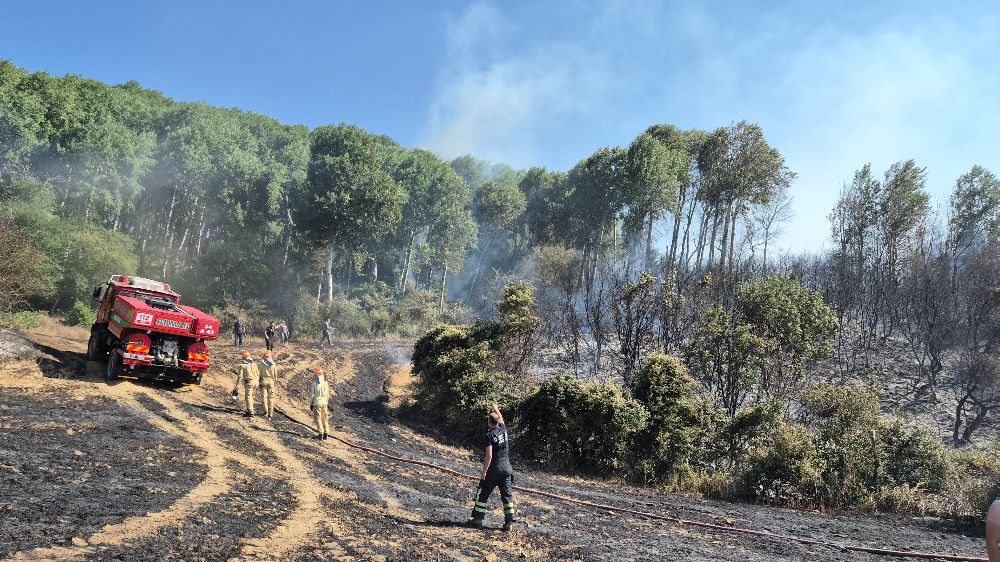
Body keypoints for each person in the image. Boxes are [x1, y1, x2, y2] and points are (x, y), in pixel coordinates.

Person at [468, 403, 516, 531]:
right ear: (498, 422)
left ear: (489, 422)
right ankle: (509, 521)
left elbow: (488, 456)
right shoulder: (503, 429)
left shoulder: (489, 436)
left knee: (482, 492)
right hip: (507, 468)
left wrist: (484, 473)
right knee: (507, 495)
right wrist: (496, 408)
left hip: (495, 468)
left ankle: (477, 519)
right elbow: (500, 418)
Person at [232, 350, 259, 417]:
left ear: (243, 358)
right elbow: (258, 374)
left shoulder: (242, 365)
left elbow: (240, 376)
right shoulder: (254, 364)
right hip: (256, 382)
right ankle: (250, 409)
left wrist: (236, 385)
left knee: (248, 397)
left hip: (250, 383)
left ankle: (250, 412)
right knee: (252, 397)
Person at [310, 367, 330, 440]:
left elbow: (312, 395)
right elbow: (327, 395)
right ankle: (326, 433)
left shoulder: (314, 384)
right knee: (325, 419)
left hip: (317, 404)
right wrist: (326, 403)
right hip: (324, 403)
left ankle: (320, 434)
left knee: (318, 419)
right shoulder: (326, 383)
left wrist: (311, 404)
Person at [258, 350, 278, 419]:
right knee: (271, 398)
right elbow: (275, 376)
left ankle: (265, 412)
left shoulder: (260, 364)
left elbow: (258, 375)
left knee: (264, 397)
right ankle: (271, 413)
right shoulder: (274, 365)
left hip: (263, 381)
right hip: (271, 382)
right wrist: (274, 382)